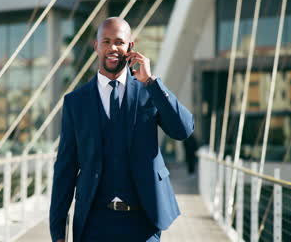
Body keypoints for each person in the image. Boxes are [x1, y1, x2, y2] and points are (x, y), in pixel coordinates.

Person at [49, 17, 194, 242]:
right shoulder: (75, 102)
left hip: (143, 222)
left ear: (130, 47)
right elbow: (65, 169)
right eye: (106, 41)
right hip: (93, 224)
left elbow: (183, 130)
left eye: (119, 41)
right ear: (96, 46)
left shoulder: (149, 92)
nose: (112, 47)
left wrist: (153, 82)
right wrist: (58, 232)